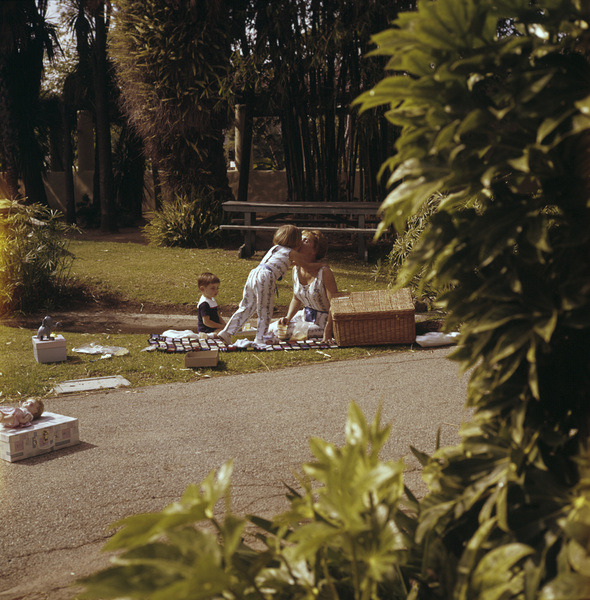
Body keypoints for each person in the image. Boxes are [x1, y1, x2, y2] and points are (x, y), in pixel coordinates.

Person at [217, 224, 323, 346]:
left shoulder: (275, 248)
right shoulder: (291, 252)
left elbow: (287, 262)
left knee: (246, 306)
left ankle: (227, 332)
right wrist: (322, 265)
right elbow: (307, 266)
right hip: (266, 276)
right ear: (295, 241)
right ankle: (260, 338)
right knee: (265, 310)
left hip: (255, 273)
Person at [269, 229, 338, 342]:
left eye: (306, 241)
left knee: (280, 332)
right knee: (272, 328)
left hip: (323, 323)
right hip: (305, 316)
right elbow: (296, 298)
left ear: (315, 250)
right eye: (300, 239)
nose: (300, 242)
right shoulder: (296, 269)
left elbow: (335, 305)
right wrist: (288, 318)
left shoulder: (324, 272)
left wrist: (328, 331)